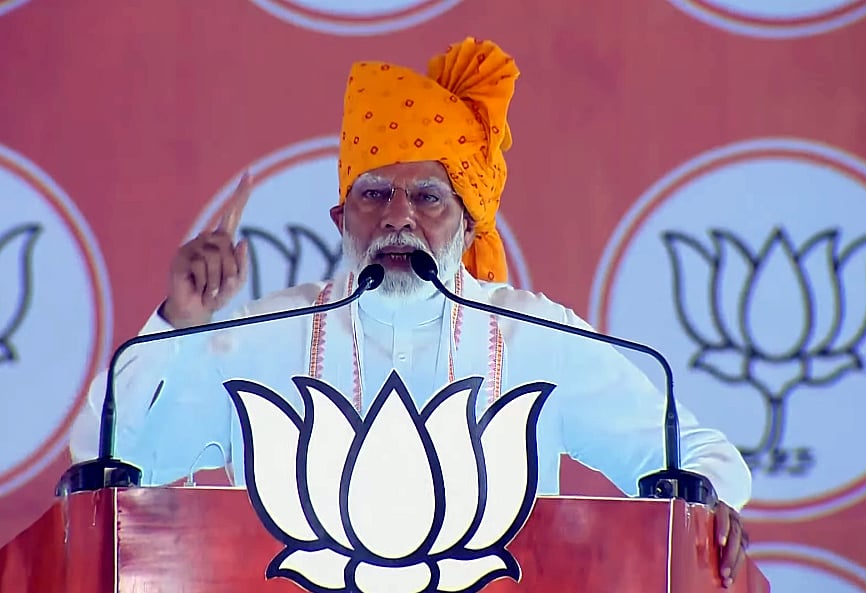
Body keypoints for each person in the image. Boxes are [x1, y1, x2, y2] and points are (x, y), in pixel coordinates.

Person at [69, 37, 751, 587]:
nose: (398, 217)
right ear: (341, 218)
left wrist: (708, 504)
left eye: (428, 197)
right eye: (374, 194)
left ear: (468, 223)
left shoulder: (532, 336)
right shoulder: (267, 337)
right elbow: (108, 459)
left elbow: (703, 458)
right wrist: (178, 324)